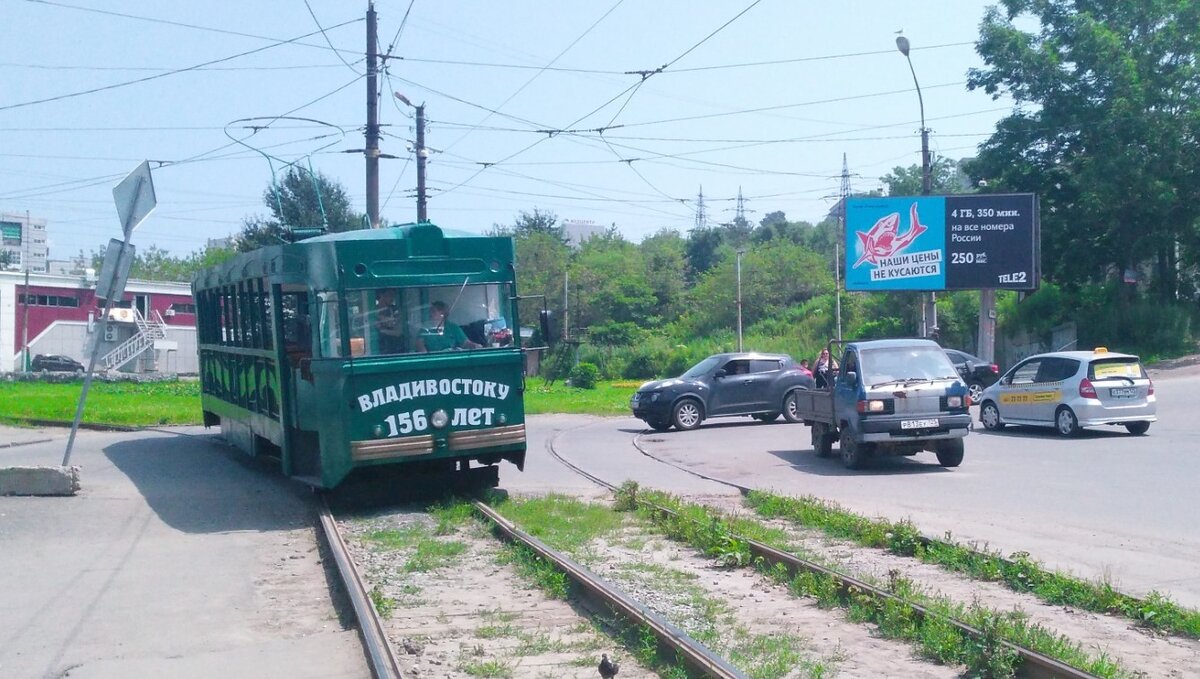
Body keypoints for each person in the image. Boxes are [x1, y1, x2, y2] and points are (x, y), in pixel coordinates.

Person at [415, 300, 480, 352]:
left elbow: (465, 343)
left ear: (442, 314)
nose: (430, 314)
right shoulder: (425, 328)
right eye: (430, 311)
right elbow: (419, 344)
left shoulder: (453, 327)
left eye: (433, 311)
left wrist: (475, 346)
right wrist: (427, 358)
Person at [374, 289, 406, 354]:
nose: (392, 298)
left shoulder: (395, 310)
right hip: (378, 349)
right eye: (390, 295)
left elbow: (398, 332)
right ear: (381, 295)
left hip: (396, 348)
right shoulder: (373, 310)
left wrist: (382, 330)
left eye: (393, 295)